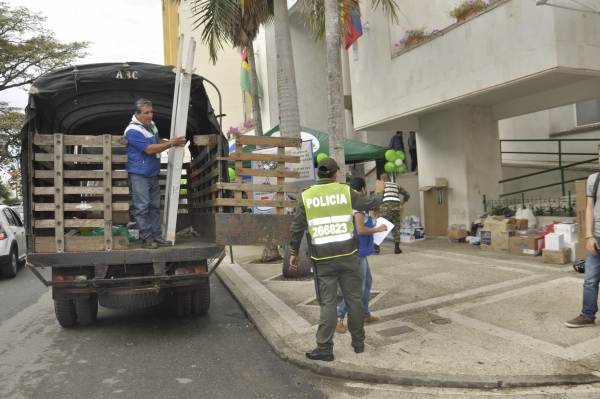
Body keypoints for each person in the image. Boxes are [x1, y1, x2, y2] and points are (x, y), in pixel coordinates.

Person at [289, 158, 385, 361]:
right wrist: (378, 189)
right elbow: (374, 203)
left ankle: (325, 349)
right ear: (335, 175)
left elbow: (297, 227)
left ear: (318, 174)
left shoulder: (307, 196)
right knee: (354, 300)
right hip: (348, 257)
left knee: (328, 304)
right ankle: (358, 344)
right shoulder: (346, 192)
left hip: (323, 260)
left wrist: (294, 253)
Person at [124, 98, 187, 249]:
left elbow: (156, 140)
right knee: (142, 208)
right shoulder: (132, 131)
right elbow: (149, 149)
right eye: (146, 113)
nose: (150, 115)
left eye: (151, 112)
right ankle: (147, 238)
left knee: (153, 207)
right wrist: (171, 143)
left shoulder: (150, 126)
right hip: (139, 175)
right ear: (137, 114)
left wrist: (169, 141)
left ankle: (156, 236)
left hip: (151, 174)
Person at [336, 177, 387, 334]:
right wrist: (379, 229)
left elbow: (363, 223)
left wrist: (373, 216)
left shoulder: (354, 202)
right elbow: (360, 229)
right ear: (364, 189)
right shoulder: (358, 206)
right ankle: (339, 317)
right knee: (358, 286)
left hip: (359, 250)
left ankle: (365, 314)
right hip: (357, 251)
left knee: (367, 282)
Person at [565, 165, 600, 327]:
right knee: (590, 280)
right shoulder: (594, 179)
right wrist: (589, 236)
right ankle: (587, 315)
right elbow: (590, 208)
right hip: (596, 238)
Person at [376, 173, 410, 255]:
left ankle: (376, 247)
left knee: (380, 225)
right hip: (396, 207)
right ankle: (397, 248)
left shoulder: (382, 185)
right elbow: (407, 194)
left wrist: (376, 208)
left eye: (381, 179)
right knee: (396, 226)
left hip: (386, 207)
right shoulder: (396, 185)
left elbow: (377, 197)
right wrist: (402, 203)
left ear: (383, 179)